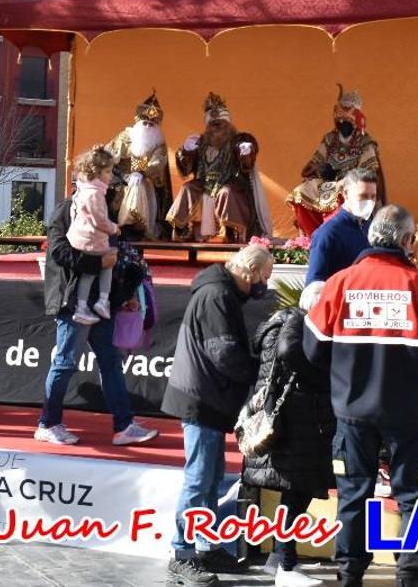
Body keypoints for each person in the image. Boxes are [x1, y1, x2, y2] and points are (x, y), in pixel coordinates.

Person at [303, 205, 418, 587]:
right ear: (407, 241)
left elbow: (312, 349)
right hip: (407, 415)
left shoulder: (340, 283)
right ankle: (412, 573)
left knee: (354, 495)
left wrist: (341, 381)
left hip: (352, 413)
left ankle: (350, 573)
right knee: (414, 496)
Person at [163, 244, 270, 587]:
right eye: (263, 279)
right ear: (249, 273)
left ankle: (206, 547)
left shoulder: (219, 293)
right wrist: (259, 369)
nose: (262, 286)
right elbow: (224, 353)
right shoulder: (217, 296)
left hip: (208, 397)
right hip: (201, 398)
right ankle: (182, 553)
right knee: (198, 479)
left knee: (210, 477)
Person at [34, 193, 158, 447]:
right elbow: (59, 254)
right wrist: (99, 261)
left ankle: (124, 425)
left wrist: (122, 295)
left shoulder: (102, 213)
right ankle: (48, 423)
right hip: (72, 302)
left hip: (101, 303)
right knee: (65, 362)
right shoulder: (65, 211)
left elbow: (111, 259)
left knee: (111, 361)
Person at [243, 281, 335, 587]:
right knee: (297, 492)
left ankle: (278, 559)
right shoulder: (297, 322)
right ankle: (286, 564)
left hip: (289, 419)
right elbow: (290, 352)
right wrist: (323, 379)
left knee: (294, 491)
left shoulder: (279, 321)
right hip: (299, 419)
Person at [166, 92, 269, 242]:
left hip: (231, 184)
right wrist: (186, 152)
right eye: (213, 125)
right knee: (188, 188)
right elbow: (186, 169)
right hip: (203, 184)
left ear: (228, 124)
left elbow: (247, 165)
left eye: (220, 124)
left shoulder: (237, 140)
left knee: (226, 193)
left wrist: (246, 153)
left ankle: (228, 231)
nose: (216, 128)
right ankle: (182, 229)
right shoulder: (200, 142)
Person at [287, 85, 385, 237]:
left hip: (351, 183)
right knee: (301, 191)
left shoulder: (365, 142)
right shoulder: (330, 138)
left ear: (355, 122)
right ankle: (312, 235)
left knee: (343, 192)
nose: (341, 124)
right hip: (327, 181)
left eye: (346, 122)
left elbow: (368, 172)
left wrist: (345, 175)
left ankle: (337, 235)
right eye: (339, 121)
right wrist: (323, 170)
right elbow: (313, 165)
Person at [105, 90, 173, 239]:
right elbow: (111, 156)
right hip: (121, 180)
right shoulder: (125, 136)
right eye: (145, 122)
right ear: (138, 121)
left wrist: (140, 171)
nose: (148, 126)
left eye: (152, 123)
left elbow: (157, 165)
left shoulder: (159, 143)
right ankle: (124, 226)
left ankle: (138, 228)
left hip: (147, 181)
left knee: (139, 185)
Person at [66, 147, 121, 325]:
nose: (110, 175)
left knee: (89, 273)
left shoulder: (84, 187)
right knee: (109, 260)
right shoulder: (95, 193)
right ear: (96, 173)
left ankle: (83, 306)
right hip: (91, 240)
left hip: (84, 238)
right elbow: (99, 220)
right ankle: (102, 301)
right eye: (107, 171)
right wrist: (114, 228)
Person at [304, 168, 377, 284]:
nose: (369, 202)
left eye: (373, 197)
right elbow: (314, 284)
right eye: (363, 196)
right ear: (346, 194)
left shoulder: (373, 229)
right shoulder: (327, 233)